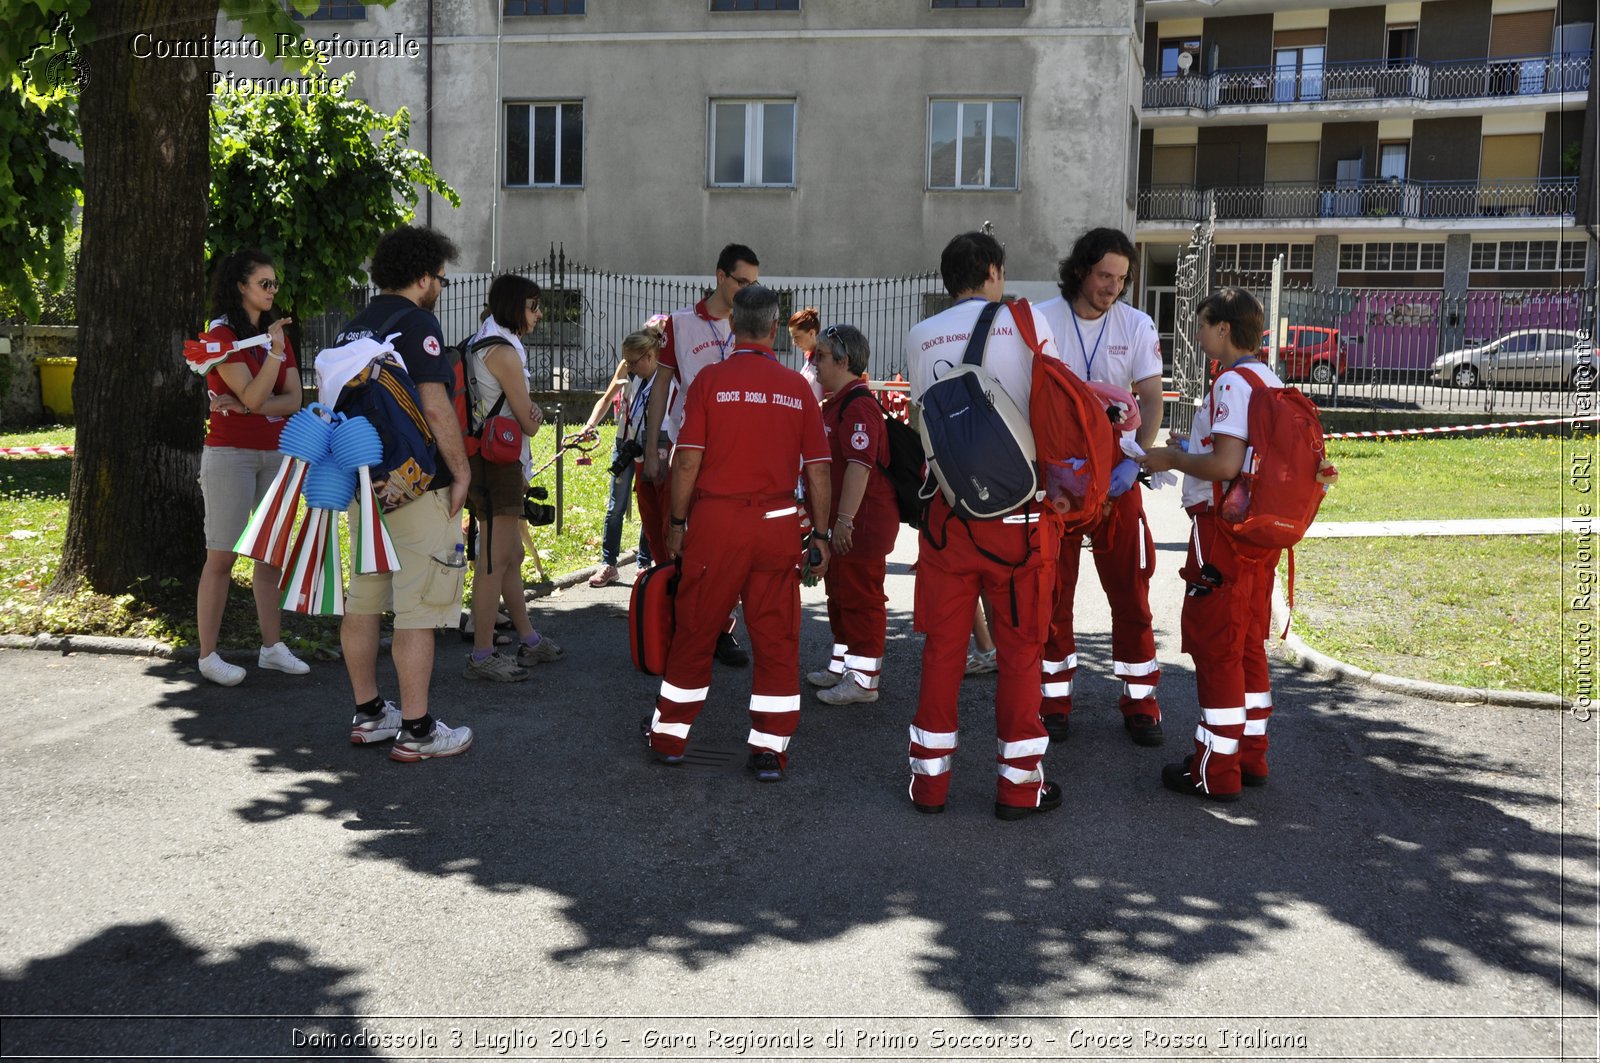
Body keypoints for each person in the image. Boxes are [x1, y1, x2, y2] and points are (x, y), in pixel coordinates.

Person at [903, 231, 1064, 821]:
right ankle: (1020, 790)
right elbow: (1055, 409)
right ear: (994, 271)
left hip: (950, 515)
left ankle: (930, 786)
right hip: (1020, 518)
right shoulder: (1028, 324)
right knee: (1021, 652)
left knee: (944, 650)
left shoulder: (921, 336)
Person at [643, 285, 832, 783]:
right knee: (777, 637)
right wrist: (824, 535)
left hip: (716, 524)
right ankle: (769, 749)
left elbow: (686, 462)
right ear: (774, 329)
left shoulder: (710, 381)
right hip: (776, 524)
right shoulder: (798, 388)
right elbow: (817, 473)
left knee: (697, 629)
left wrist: (677, 523)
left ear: (734, 327)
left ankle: (669, 737)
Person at [335, 225, 473, 762]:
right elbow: (435, 405)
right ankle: (417, 730)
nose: (441, 285)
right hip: (415, 488)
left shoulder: (355, 328)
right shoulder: (417, 323)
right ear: (422, 277)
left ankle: (369, 714)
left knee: (365, 601)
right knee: (419, 606)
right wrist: (459, 472)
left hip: (364, 487)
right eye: (440, 276)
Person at [1140, 287, 1280, 801]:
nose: (1197, 335)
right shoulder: (1268, 378)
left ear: (1224, 328)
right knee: (1247, 645)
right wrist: (1190, 448)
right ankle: (1250, 756)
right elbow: (1237, 456)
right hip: (1256, 534)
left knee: (1217, 645)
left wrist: (1170, 459)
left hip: (1221, 534)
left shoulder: (1230, 383)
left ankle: (1214, 772)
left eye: (1202, 325)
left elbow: (1224, 467)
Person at [1034, 228, 1167, 747]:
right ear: (1081, 269)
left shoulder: (1136, 324)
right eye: (1104, 275)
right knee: (1054, 591)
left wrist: (1135, 458)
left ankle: (1141, 701)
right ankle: (1054, 700)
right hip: (1061, 476)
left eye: (1121, 279)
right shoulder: (1043, 320)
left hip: (1117, 475)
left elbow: (1152, 399)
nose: (1112, 287)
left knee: (1130, 590)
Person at [193, 249, 310, 686]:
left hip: (275, 452)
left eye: (275, 283)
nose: (272, 291)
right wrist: (267, 376)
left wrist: (243, 406)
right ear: (241, 286)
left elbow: (294, 400)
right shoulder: (220, 336)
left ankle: (271, 648)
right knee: (221, 556)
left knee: (269, 555)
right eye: (265, 283)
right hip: (230, 455)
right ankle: (208, 655)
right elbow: (265, 397)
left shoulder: (274, 335)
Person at [641, 242, 761, 668]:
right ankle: (685, 627)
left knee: (729, 546)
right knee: (685, 540)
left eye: (754, 283)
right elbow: (661, 386)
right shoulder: (682, 323)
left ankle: (721, 630)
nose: (749, 290)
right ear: (720, 276)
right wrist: (654, 445)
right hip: (690, 446)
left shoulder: (754, 321)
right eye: (742, 281)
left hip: (738, 454)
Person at [462, 274, 562, 682]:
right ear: (513, 306)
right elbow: (530, 420)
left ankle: (530, 640)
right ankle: (482, 655)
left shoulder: (481, 340)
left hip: (492, 457)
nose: (539, 315)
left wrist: (530, 412)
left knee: (510, 558)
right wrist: (533, 413)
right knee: (495, 559)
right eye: (533, 306)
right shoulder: (502, 351)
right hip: (498, 461)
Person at [804, 324, 897, 705]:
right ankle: (843, 666)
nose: (813, 363)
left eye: (820, 357)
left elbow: (859, 466)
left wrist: (843, 522)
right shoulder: (839, 402)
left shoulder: (858, 405)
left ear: (843, 361)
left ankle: (864, 681)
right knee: (840, 597)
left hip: (860, 524)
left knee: (861, 599)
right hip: (845, 523)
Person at [581, 325, 664, 587]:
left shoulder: (663, 375)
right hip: (625, 442)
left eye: (632, 361)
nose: (628, 366)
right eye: (626, 361)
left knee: (647, 505)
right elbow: (607, 398)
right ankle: (609, 563)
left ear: (649, 355)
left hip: (649, 446)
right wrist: (590, 425)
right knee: (616, 504)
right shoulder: (629, 368)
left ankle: (644, 563)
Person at [788, 306, 824, 403]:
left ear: (811, 333)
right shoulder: (812, 358)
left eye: (797, 337)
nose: (794, 342)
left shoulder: (824, 359)